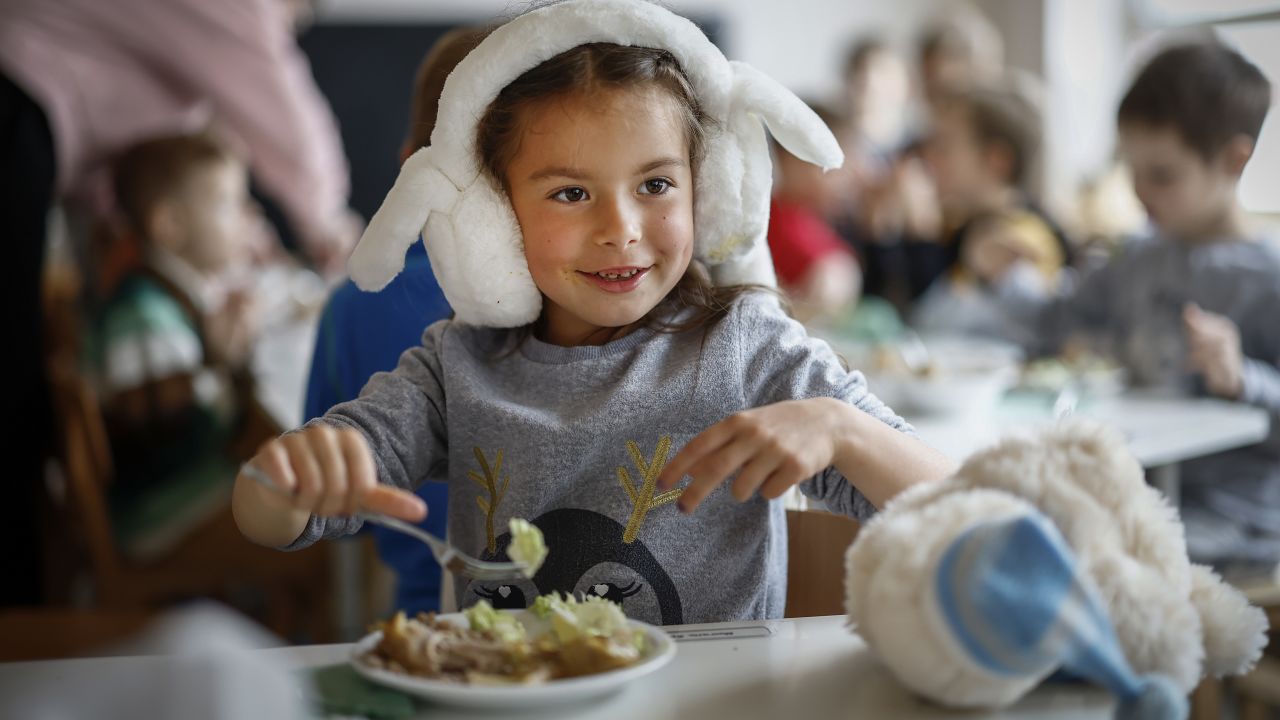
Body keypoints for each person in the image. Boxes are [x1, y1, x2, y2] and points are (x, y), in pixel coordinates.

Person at [233, 0, 953, 625]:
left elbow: (953, 505)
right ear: (492, 218)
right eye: (570, 194)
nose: (622, 229)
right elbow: (265, 516)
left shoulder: (751, 350)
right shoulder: (455, 366)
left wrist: (842, 429)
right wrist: (289, 481)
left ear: (705, 191)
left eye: (656, 184)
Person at [0, 0, 358, 604]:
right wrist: (333, 227)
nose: (288, 23)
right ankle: (21, 618)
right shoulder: (145, 313)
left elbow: (139, 147)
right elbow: (282, 113)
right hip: (155, 506)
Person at [990, 41, 1280, 569]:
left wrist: (1243, 378)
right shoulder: (1134, 256)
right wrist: (1011, 278)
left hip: (1233, 519)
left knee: (1070, 557)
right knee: (1008, 523)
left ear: (1233, 160)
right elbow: (1055, 326)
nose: (1141, 190)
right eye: (1132, 169)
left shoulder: (1269, 277)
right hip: (1130, 493)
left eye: (1163, 175)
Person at [303, 28, 486, 616]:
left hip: (417, 617)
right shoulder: (585, 306)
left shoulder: (351, 302)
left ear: (409, 167)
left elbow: (344, 516)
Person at [85, 133, 262, 559]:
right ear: (170, 226)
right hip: (154, 508)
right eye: (228, 203)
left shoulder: (165, 294)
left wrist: (221, 355)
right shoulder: (143, 314)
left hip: (169, 486)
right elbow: (172, 434)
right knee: (309, 503)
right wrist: (224, 364)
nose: (249, 215)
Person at [911, 80, 1071, 342]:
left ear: (997, 161)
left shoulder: (1026, 236)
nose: (928, 156)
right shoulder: (962, 226)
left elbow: (1037, 333)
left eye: (944, 147)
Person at [767, 101, 862, 324]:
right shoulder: (772, 222)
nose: (847, 179)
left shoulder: (819, 221)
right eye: (835, 168)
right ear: (793, 161)